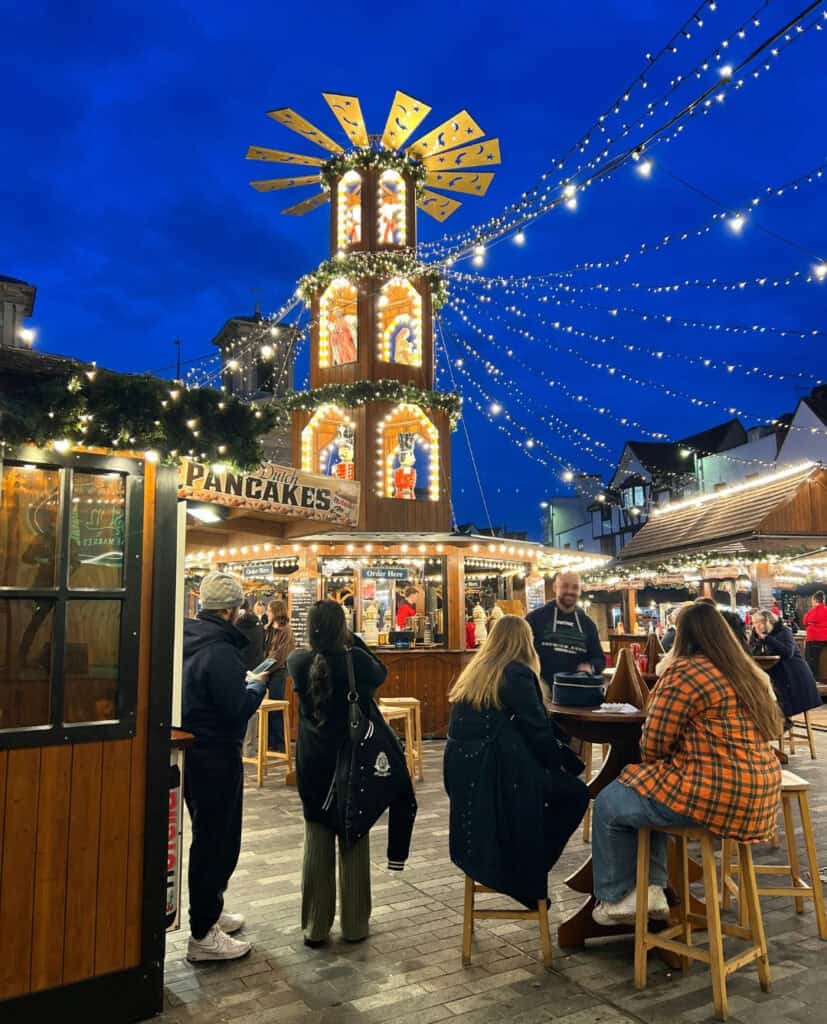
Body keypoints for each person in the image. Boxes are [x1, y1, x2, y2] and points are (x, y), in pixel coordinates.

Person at [591, 602, 782, 925]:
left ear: (683, 637)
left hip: (715, 791)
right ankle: (651, 892)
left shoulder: (685, 672)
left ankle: (617, 898)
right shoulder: (747, 672)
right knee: (647, 792)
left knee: (611, 801)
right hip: (761, 793)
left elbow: (653, 744)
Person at [444, 615, 590, 908]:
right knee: (575, 794)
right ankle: (526, 874)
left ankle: (520, 866)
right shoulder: (517, 674)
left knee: (554, 793)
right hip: (500, 778)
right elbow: (538, 731)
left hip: (466, 777)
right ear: (526, 642)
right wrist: (561, 765)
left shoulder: (476, 673)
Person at [287, 600, 389, 946]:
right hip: (350, 763)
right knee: (353, 838)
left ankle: (315, 927)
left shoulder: (297, 661)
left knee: (316, 839)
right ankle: (355, 924)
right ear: (341, 627)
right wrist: (355, 640)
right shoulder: (356, 662)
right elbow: (381, 672)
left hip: (312, 763)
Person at [182, 572, 269, 961]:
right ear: (232, 610)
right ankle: (202, 934)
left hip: (193, 753)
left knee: (209, 836)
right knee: (216, 841)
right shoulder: (219, 651)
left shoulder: (188, 639)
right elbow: (235, 709)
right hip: (216, 755)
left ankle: (210, 913)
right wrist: (255, 686)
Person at [525, 571, 606, 685]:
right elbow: (520, 653)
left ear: (580, 590)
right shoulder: (535, 618)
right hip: (540, 692)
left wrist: (590, 667)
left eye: (575, 587)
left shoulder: (588, 624)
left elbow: (599, 659)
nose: (570, 591)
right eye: (565, 586)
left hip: (576, 691)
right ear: (555, 587)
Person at [750, 609, 821, 723]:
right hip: (778, 676)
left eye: (757, 622)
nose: (755, 626)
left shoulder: (783, 631)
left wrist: (767, 639)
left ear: (767, 621)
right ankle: (775, 724)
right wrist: (757, 641)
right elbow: (752, 653)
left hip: (794, 679)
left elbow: (788, 652)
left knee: (775, 703)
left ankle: (780, 724)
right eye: (753, 623)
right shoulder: (759, 635)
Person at [262, 599, 295, 751]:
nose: (267, 613)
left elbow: (280, 655)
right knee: (267, 708)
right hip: (267, 672)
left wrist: (266, 668)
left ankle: (280, 743)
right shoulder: (269, 628)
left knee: (275, 707)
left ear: (275, 612)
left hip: (278, 672)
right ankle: (269, 741)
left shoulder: (285, 630)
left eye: (269, 610)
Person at [803, 591, 827, 681]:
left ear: (815, 600)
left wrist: (813, 624)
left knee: (811, 660)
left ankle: (812, 678)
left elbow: (805, 621)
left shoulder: (812, 611)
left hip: (815, 639)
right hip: (825, 639)